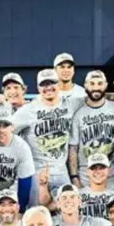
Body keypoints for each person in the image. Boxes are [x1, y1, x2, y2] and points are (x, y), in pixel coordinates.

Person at [13, 69, 82, 207]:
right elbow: (6, 130)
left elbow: (93, 97)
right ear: (38, 88)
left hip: (62, 171)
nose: (48, 87)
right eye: (44, 84)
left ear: (59, 84)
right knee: (37, 211)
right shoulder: (29, 109)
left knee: (69, 208)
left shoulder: (71, 103)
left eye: (52, 83)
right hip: (37, 171)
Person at [68, 70, 114, 187]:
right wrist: (74, 177)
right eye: (92, 83)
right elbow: (73, 149)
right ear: (85, 86)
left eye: (100, 83)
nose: (96, 88)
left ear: (106, 85)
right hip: (86, 177)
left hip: (113, 176)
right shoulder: (78, 114)